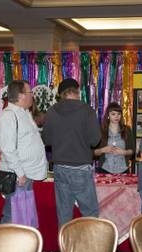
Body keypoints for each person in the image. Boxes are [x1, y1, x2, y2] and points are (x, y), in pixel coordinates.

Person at [42, 78, 101, 228]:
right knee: (90, 214)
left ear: (61, 94)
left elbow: (46, 140)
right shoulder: (87, 110)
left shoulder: (52, 111)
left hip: (60, 168)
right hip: (81, 168)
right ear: (77, 92)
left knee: (64, 215)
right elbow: (95, 141)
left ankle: (66, 247)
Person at [0, 80, 47, 223]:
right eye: (30, 92)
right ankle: (1, 244)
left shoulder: (24, 113)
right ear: (21, 96)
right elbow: (7, 149)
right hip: (19, 175)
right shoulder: (9, 116)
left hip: (27, 173)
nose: (33, 96)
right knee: (12, 214)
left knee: (23, 215)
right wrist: (20, 174)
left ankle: (19, 244)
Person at [94, 102, 134, 174]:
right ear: (108, 115)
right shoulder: (100, 130)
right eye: (113, 114)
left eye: (119, 114)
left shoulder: (127, 129)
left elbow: (132, 150)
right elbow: (93, 152)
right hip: (104, 170)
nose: (116, 116)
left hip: (123, 170)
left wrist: (124, 152)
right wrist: (102, 150)